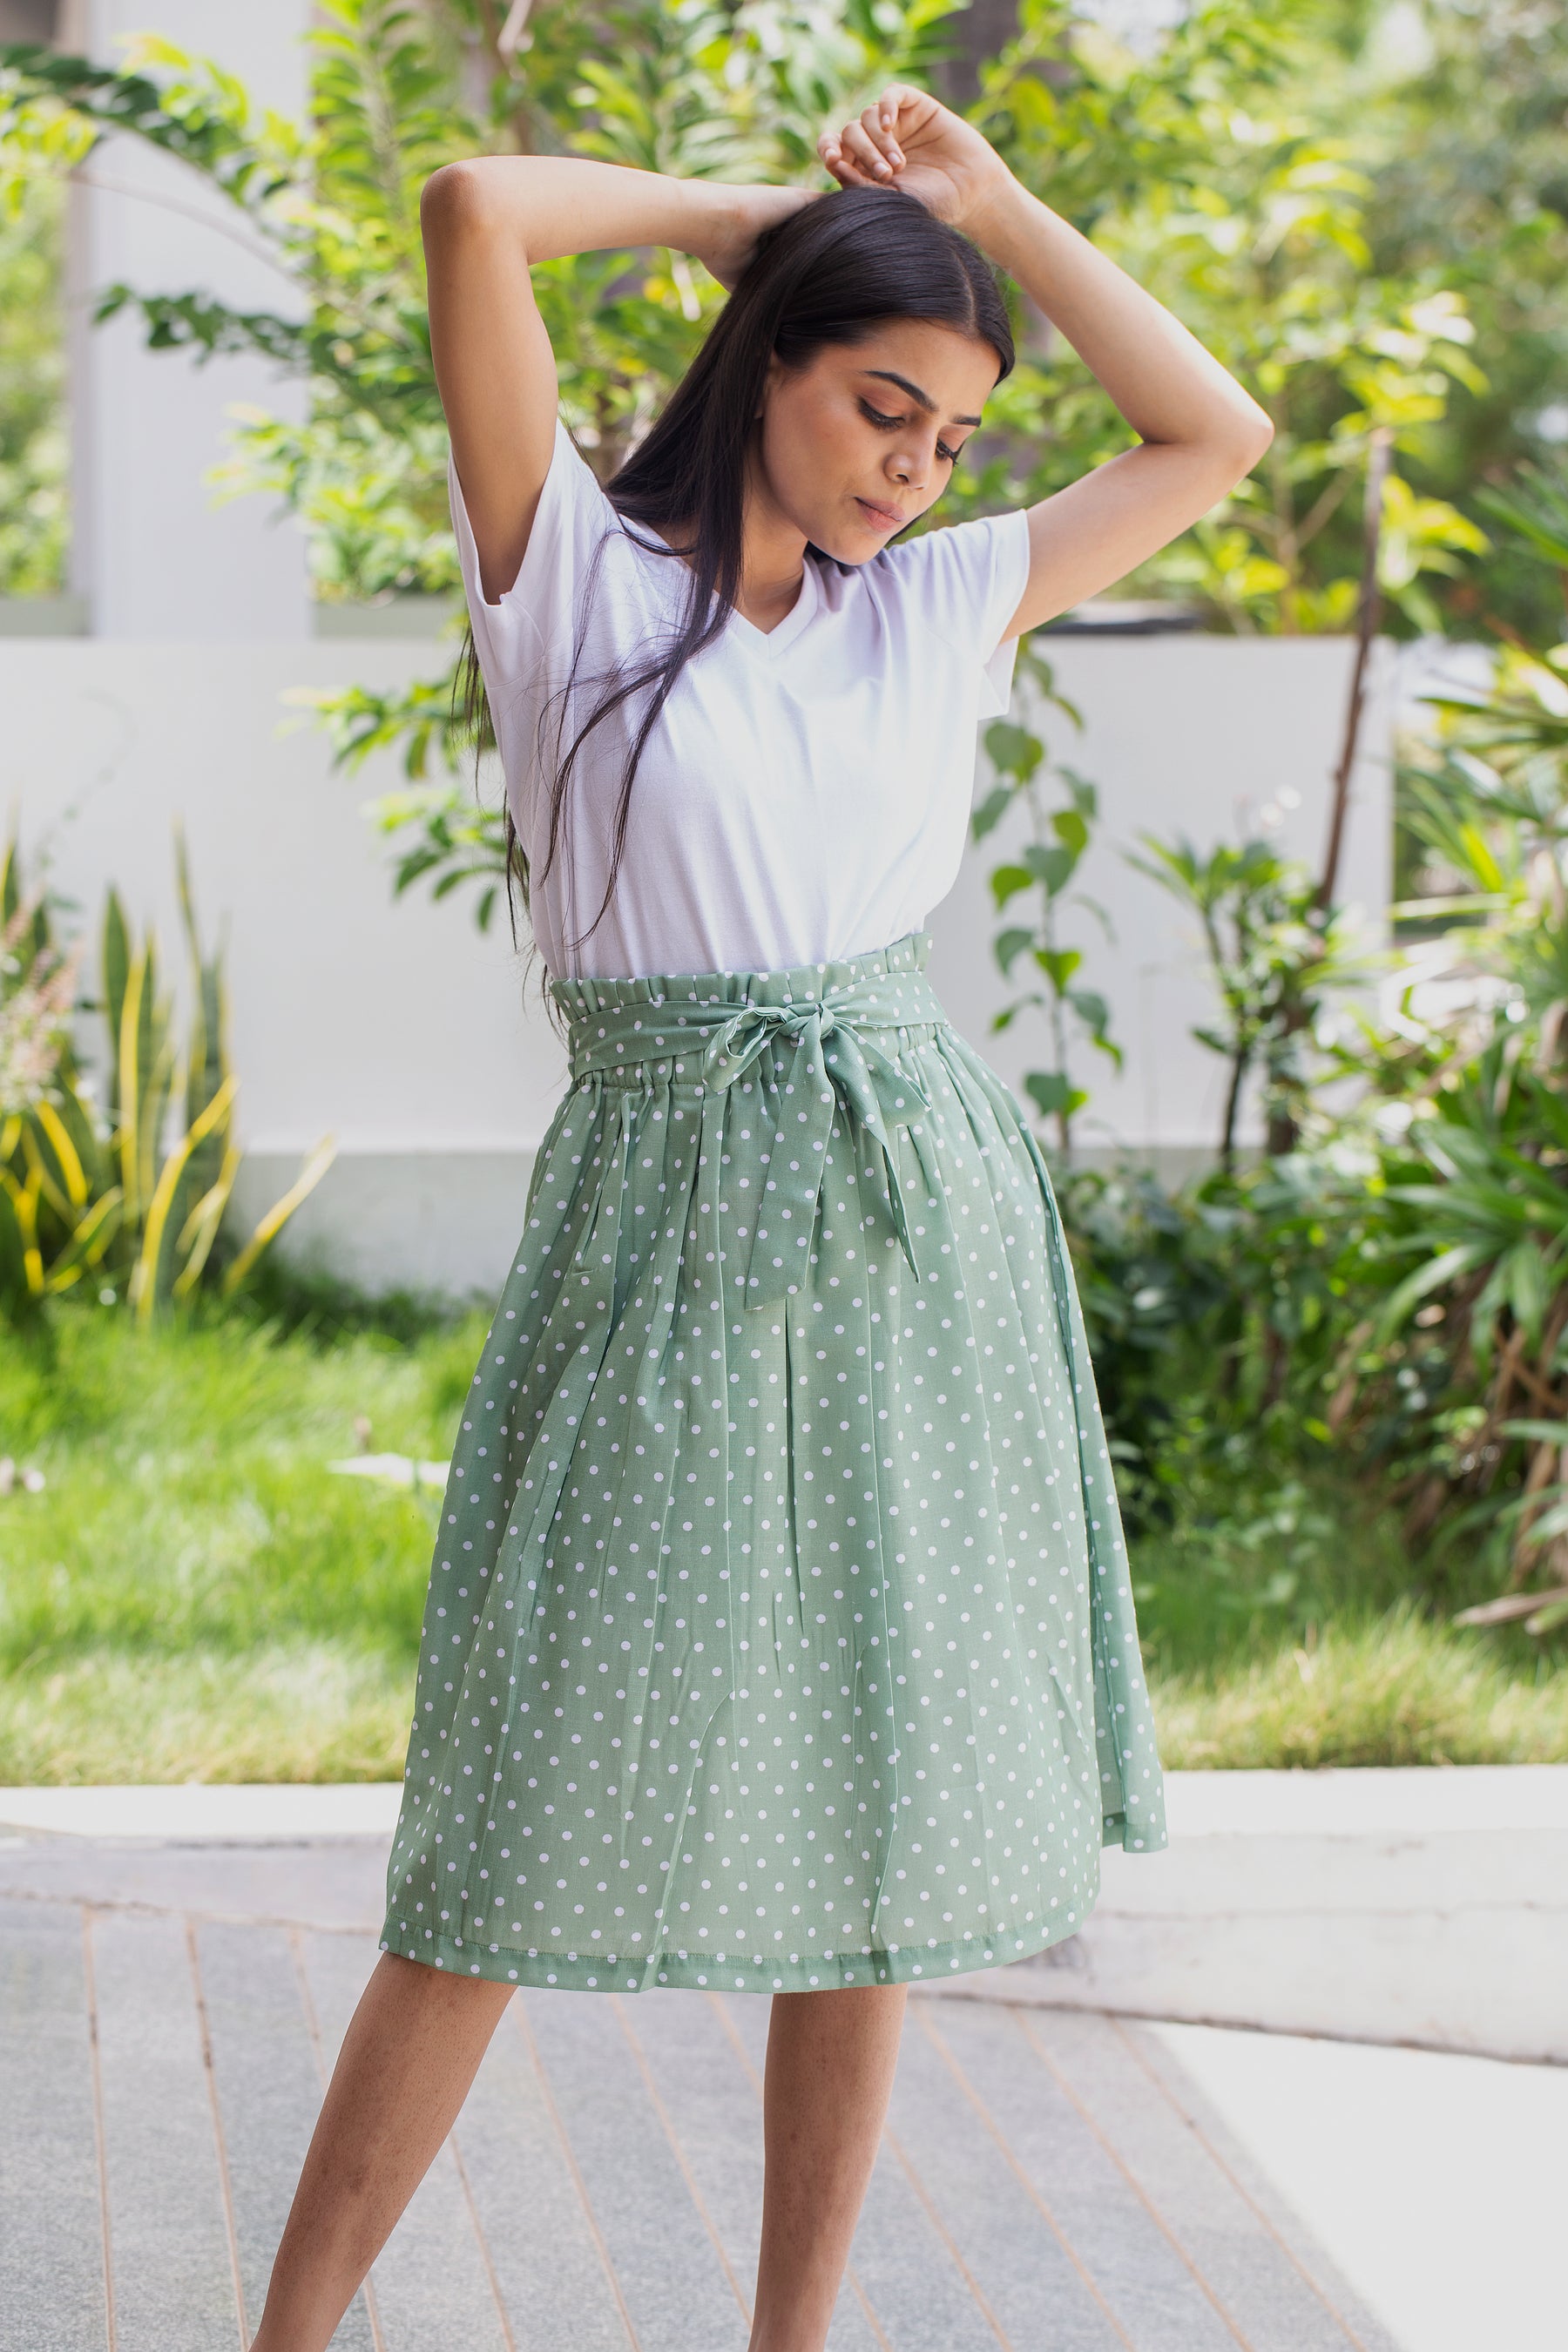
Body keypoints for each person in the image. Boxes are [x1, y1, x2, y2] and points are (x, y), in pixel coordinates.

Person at [252, 81, 1271, 2352]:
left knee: (878, 1806)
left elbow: (1216, 432)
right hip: (670, 1211)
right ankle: (286, 2335)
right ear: (773, 362)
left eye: (951, 432)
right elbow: (472, 206)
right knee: (511, 1816)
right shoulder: (574, 581)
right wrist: (761, 222)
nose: (916, 464)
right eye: (878, 402)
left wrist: (990, 208)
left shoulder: (938, 609)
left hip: (917, 1218)